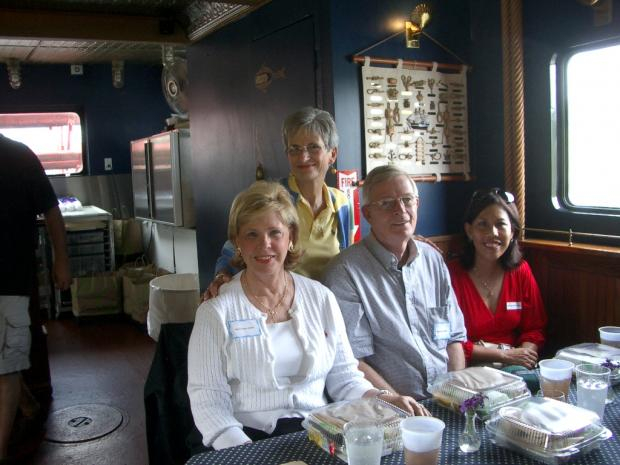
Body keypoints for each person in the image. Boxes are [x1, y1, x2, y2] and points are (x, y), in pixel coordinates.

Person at [187, 181, 427, 451]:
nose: (264, 244)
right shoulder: (215, 312)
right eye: (251, 234)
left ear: (290, 238)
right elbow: (208, 401)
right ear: (238, 243)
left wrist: (384, 398)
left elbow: (345, 378)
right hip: (243, 439)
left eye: (274, 232)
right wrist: (246, 454)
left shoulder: (321, 298)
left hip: (320, 435)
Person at [323, 165, 467, 400]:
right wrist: (397, 402)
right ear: (368, 214)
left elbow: (454, 338)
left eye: (407, 200)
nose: (401, 210)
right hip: (388, 408)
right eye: (387, 203)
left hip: (448, 398)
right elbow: (352, 360)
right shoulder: (345, 273)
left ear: (417, 204)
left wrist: (456, 393)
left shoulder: (433, 260)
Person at [203, 107, 354, 299]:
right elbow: (234, 248)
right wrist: (221, 276)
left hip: (325, 308)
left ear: (332, 154)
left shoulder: (342, 204)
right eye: (295, 149)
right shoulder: (274, 200)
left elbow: (344, 264)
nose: (303, 157)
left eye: (313, 147)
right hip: (278, 307)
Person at [0, 134, 71, 462]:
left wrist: (61, 262)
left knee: (7, 367)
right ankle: (27, 404)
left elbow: (52, 213)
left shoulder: (19, 155)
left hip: (10, 279)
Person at [447, 188, 547, 369]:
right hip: (466, 368)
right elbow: (446, 339)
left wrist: (524, 359)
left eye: (500, 225)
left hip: (514, 365)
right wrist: (504, 355)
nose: (492, 233)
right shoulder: (450, 275)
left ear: (513, 232)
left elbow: (533, 329)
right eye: (482, 224)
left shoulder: (521, 271)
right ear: (469, 231)